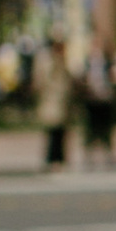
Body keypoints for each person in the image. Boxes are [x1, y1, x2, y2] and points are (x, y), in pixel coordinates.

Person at [31, 34, 72, 168]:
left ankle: (57, 158)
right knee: (54, 132)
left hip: (58, 101)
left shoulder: (59, 62)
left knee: (58, 132)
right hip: (53, 101)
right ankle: (54, 158)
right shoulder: (52, 63)